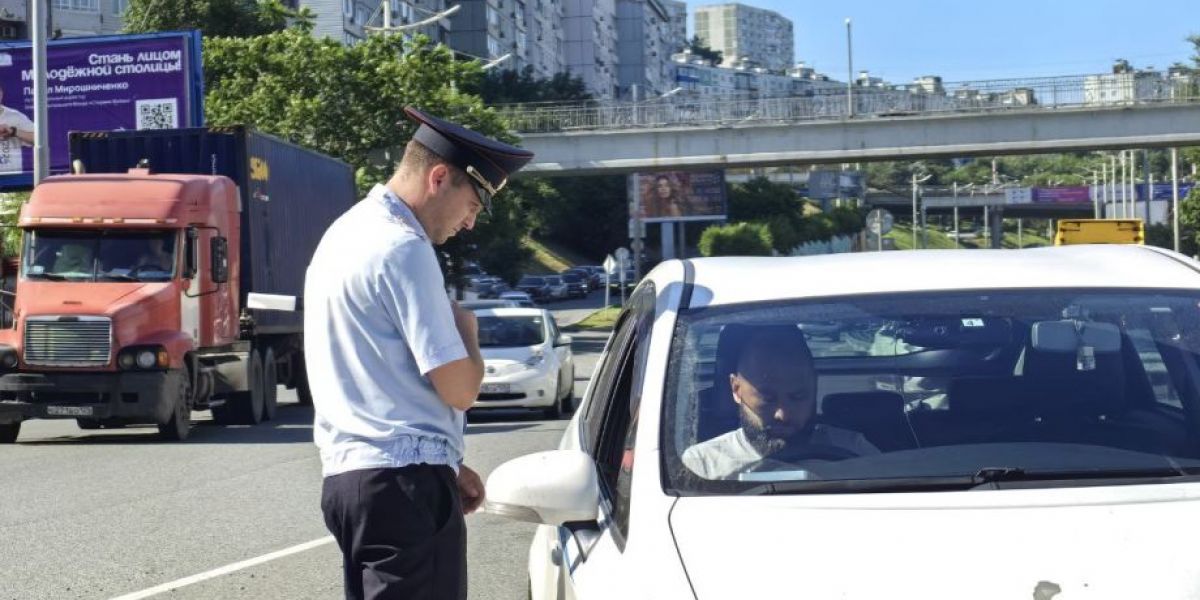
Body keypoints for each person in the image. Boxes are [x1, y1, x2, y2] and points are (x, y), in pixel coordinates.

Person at [304, 106, 533, 600]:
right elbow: (461, 388)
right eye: (473, 205)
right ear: (438, 178)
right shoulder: (404, 247)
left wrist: (444, 464)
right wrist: (467, 331)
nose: (469, 224)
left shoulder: (344, 233)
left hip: (355, 479)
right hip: (402, 489)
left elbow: (380, 380)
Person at [683, 326, 879, 480]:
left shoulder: (856, 451)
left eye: (798, 397)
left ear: (815, 387)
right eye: (767, 399)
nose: (783, 414)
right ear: (736, 389)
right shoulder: (702, 466)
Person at [0, 88, 34, 174]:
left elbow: (39, 139)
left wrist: (14, 132)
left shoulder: (15, 116)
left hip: (11, 178)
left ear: (1, 94)